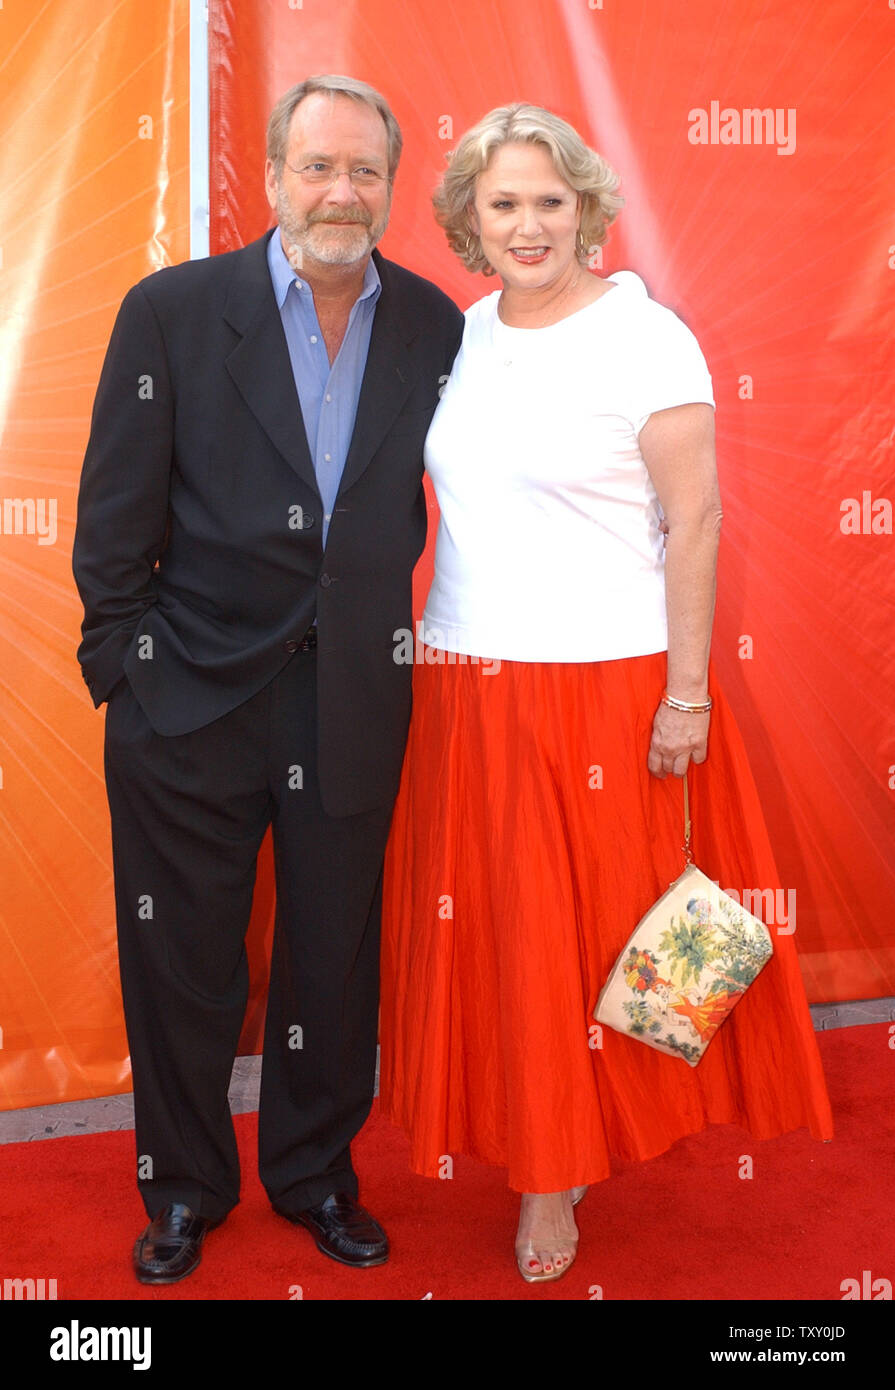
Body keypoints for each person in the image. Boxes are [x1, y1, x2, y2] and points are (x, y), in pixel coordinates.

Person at [378, 102, 833, 1285]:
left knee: (619, 942)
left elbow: (699, 518)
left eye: (548, 199)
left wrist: (688, 694)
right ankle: (544, 1156)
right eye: (501, 202)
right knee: (510, 943)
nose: (527, 223)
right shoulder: (464, 334)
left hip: (612, 683)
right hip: (468, 679)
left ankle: (563, 1173)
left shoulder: (644, 335)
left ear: (584, 206)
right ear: (468, 221)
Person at [72, 74, 463, 1284]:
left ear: (392, 188)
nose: (340, 191)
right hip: (188, 698)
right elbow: (110, 518)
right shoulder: (174, 312)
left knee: (330, 961)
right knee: (182, 960)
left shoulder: (437, 327)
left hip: (350, 698)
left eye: (363, 171)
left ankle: (315, 1174)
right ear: (277, 177)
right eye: (317, 167)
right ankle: (184, 1188)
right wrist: (127, 675)